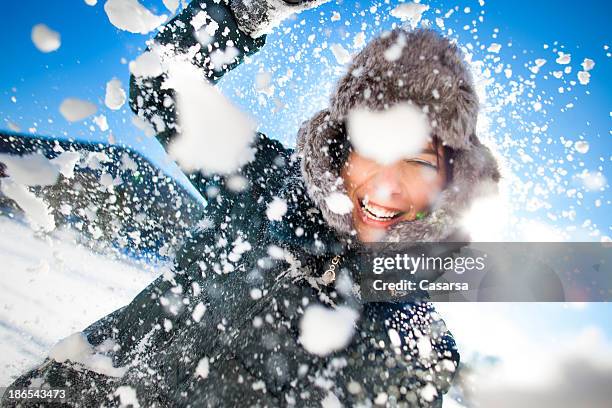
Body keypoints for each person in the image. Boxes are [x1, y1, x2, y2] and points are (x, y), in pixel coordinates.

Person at [4, 0, 500, 406]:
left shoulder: (413, 345)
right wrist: (249, 10)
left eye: (418, 162)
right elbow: (161, 90)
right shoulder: (270, 185)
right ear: (341, 145)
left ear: (450, 180)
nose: (386, 187)